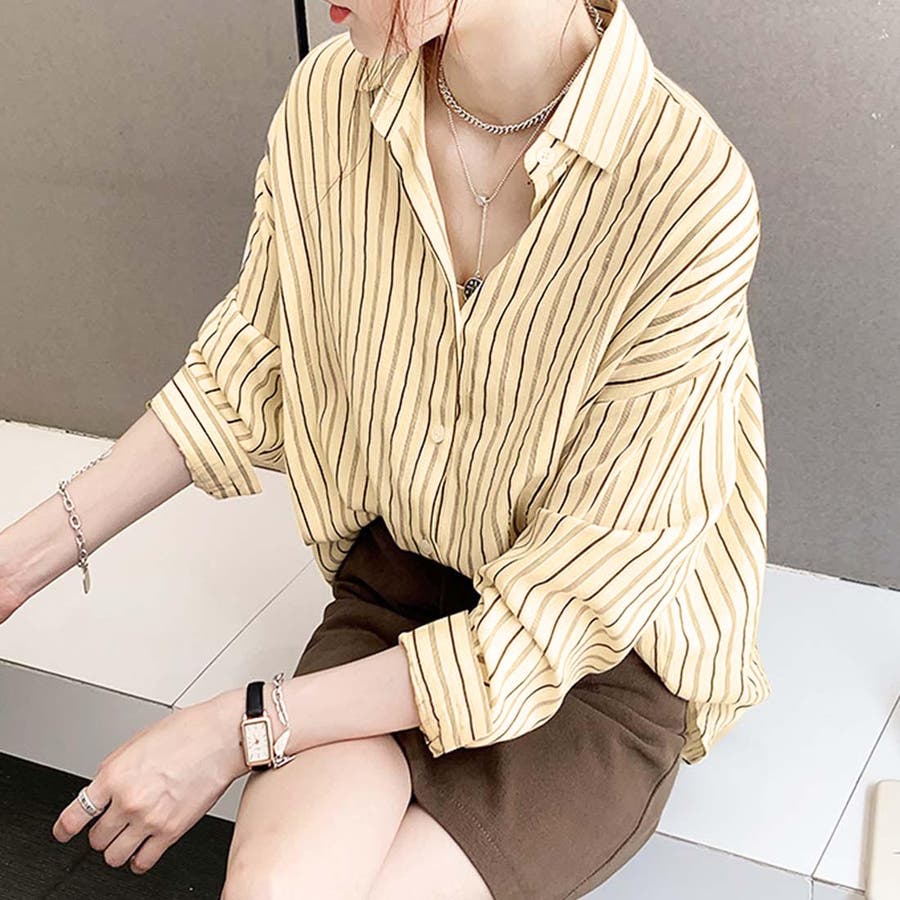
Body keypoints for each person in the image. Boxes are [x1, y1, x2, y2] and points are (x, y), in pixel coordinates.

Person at [0, 0, 771, 896]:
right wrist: (15, 563)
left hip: (591, 661)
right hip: (400, 591)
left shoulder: (685, 188)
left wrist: (236, 728)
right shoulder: (333, 99)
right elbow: (245, 369)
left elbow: (565, 611)